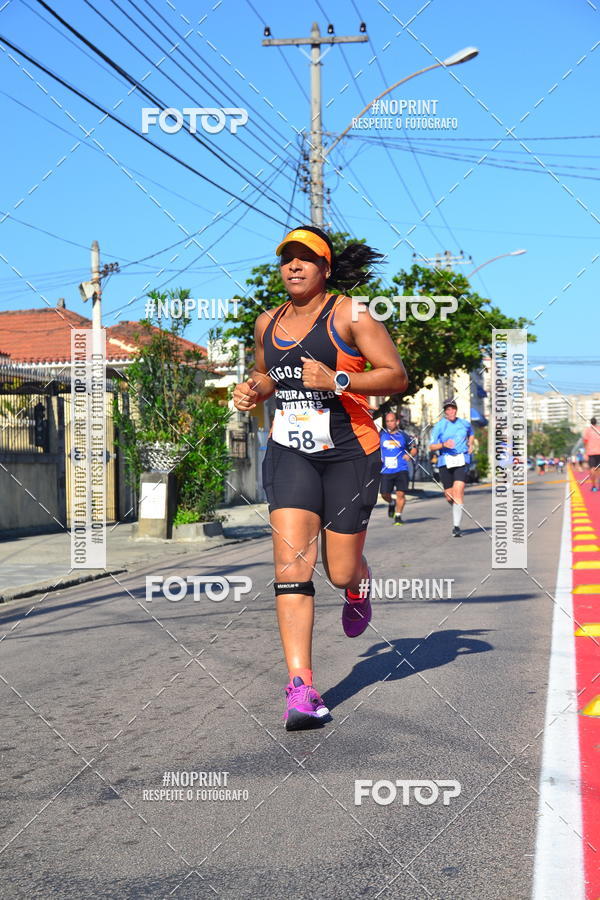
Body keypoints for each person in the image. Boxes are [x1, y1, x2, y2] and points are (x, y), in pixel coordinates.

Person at [232, 225, 407, 730]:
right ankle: (301, 686)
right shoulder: (267, 321)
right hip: (291, 452)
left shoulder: (352, 314)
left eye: (305, 258)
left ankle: (358, 588)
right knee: (291, 567)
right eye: (287, 258)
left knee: (341, 571)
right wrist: (253, 391)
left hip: (351, 452)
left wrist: (338, 379)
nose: (294, 266)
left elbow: (395, 375)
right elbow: (267, 375)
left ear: (325, 268)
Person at [429, 399, 475, 537]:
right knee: (450, 497)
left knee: (458, 491)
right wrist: (443, 445)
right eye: (448, 409)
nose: (451, 411)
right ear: (445, 412)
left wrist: (471, 444)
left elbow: (471, 433)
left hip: (461, 460)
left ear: (456, 409)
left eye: (453, 408)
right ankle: (457, 508)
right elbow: (431, 446)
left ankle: (456, 526)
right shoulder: (439, 426)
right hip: (445, 462)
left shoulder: (464, 423)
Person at [379, 411, 417, 524]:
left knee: (401, 493)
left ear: (397, 422)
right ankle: (391, 502)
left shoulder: (404, 435)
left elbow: (414, 449)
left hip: (401, 469)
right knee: (384, 494)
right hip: (386, 470)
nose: (389, 423)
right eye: (387, 421)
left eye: (392, 421)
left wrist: (410, 455)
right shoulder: (381, 435)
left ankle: (398, 516)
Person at [583, 417, 600, 492]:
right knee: (599, 469)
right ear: (596, 422)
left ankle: (594, 486)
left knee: (592, 469)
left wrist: (586, 453)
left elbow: (585, 442)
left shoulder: (587, 430)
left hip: (591, 452)